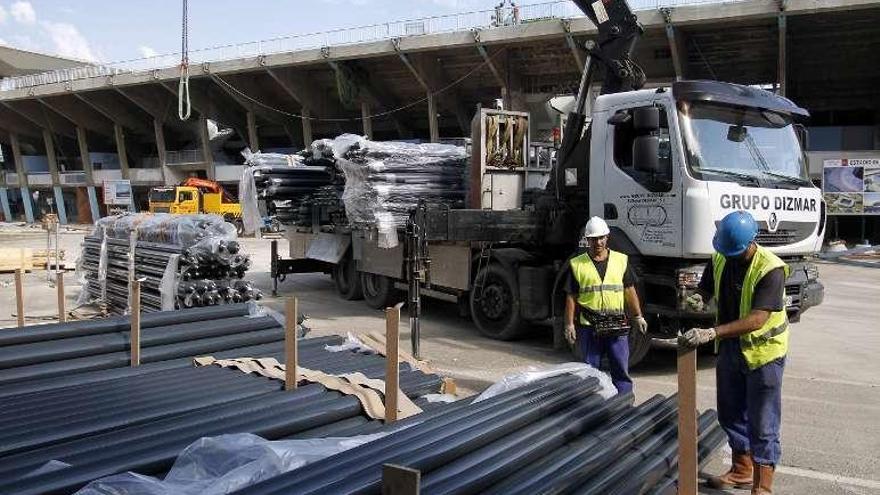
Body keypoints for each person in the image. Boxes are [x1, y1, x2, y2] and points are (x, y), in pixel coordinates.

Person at [679, 210, 789, 495]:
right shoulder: (720, 256)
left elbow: (757, 319)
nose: (728, 257)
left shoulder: (770, 269)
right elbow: (706, 289)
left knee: (763, 423)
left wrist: (712, 332)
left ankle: (762, 487)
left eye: (734, 253)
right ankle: (742, 469)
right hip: (731, 350)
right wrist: (697, 300)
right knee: (729, 413)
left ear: (752, 243)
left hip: (764, 356)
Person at [564, 216, 647, 394]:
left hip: (617, 324)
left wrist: (638, 316)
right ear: (587, 240)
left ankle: (624, 402)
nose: (598, 242)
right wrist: (569, 324)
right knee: (590, 371)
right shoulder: (577, 264)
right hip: (589, 327)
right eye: (593, 239)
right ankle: (594, 405)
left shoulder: (621, 260)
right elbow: (571, 296)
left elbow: (629, 290)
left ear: (607, 238)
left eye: (601, 238)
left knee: (620, 370)